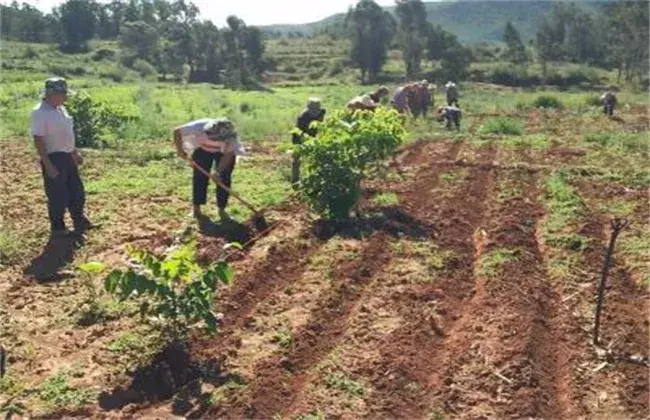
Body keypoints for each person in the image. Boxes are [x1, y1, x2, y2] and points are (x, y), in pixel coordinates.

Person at [30, 77, 92, 240]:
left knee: (76, 191)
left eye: (65, 94)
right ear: (50, 94)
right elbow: (38, 139)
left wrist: (74, 152)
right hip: (53, 157)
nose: (64, 97)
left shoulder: (61, 109)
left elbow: (67, 135)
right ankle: (58, 227)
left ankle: (79, 221)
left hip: (67, 155)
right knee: (58, 195)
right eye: (61, 94)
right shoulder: (40, 113)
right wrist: (47, 164)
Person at [173, 118, 243, 220]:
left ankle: (222, 209)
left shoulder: (231, 138)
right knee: (199, 178)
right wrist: (180, 150)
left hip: (222, 152)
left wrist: (218, 172)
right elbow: (177, 131)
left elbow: (228, 155)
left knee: (224, 177)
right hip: (202, 150)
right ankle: (196, 209)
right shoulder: (199, 126)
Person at [292, 98, 326, 184]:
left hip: (314, 138)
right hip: (300, 137)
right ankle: (295, 179)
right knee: (297, 159)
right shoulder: (303, 117)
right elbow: (300, 132)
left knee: (316, 159)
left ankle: (314, 179)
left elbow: (321, 125)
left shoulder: (321, 112)